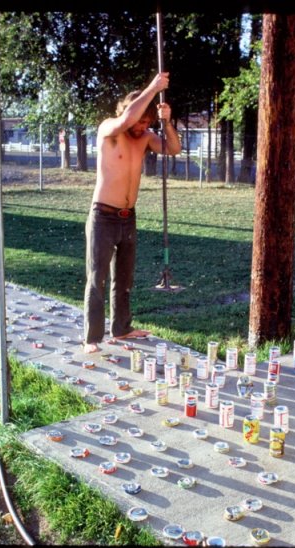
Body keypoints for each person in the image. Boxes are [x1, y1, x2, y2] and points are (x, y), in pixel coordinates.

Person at [83, 72, 182, 354]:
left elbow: (173, 149)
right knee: (96, 278)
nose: (142, 126)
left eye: (148, 122)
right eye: (141, 120)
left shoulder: (146, 137)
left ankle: (122, 328)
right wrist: (153, 87)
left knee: (123, 279)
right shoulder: (109, 130)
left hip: (128, 217)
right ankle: (91, 338)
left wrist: (166, 122)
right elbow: (127, 120)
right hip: (103, 216)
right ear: (127, 111)